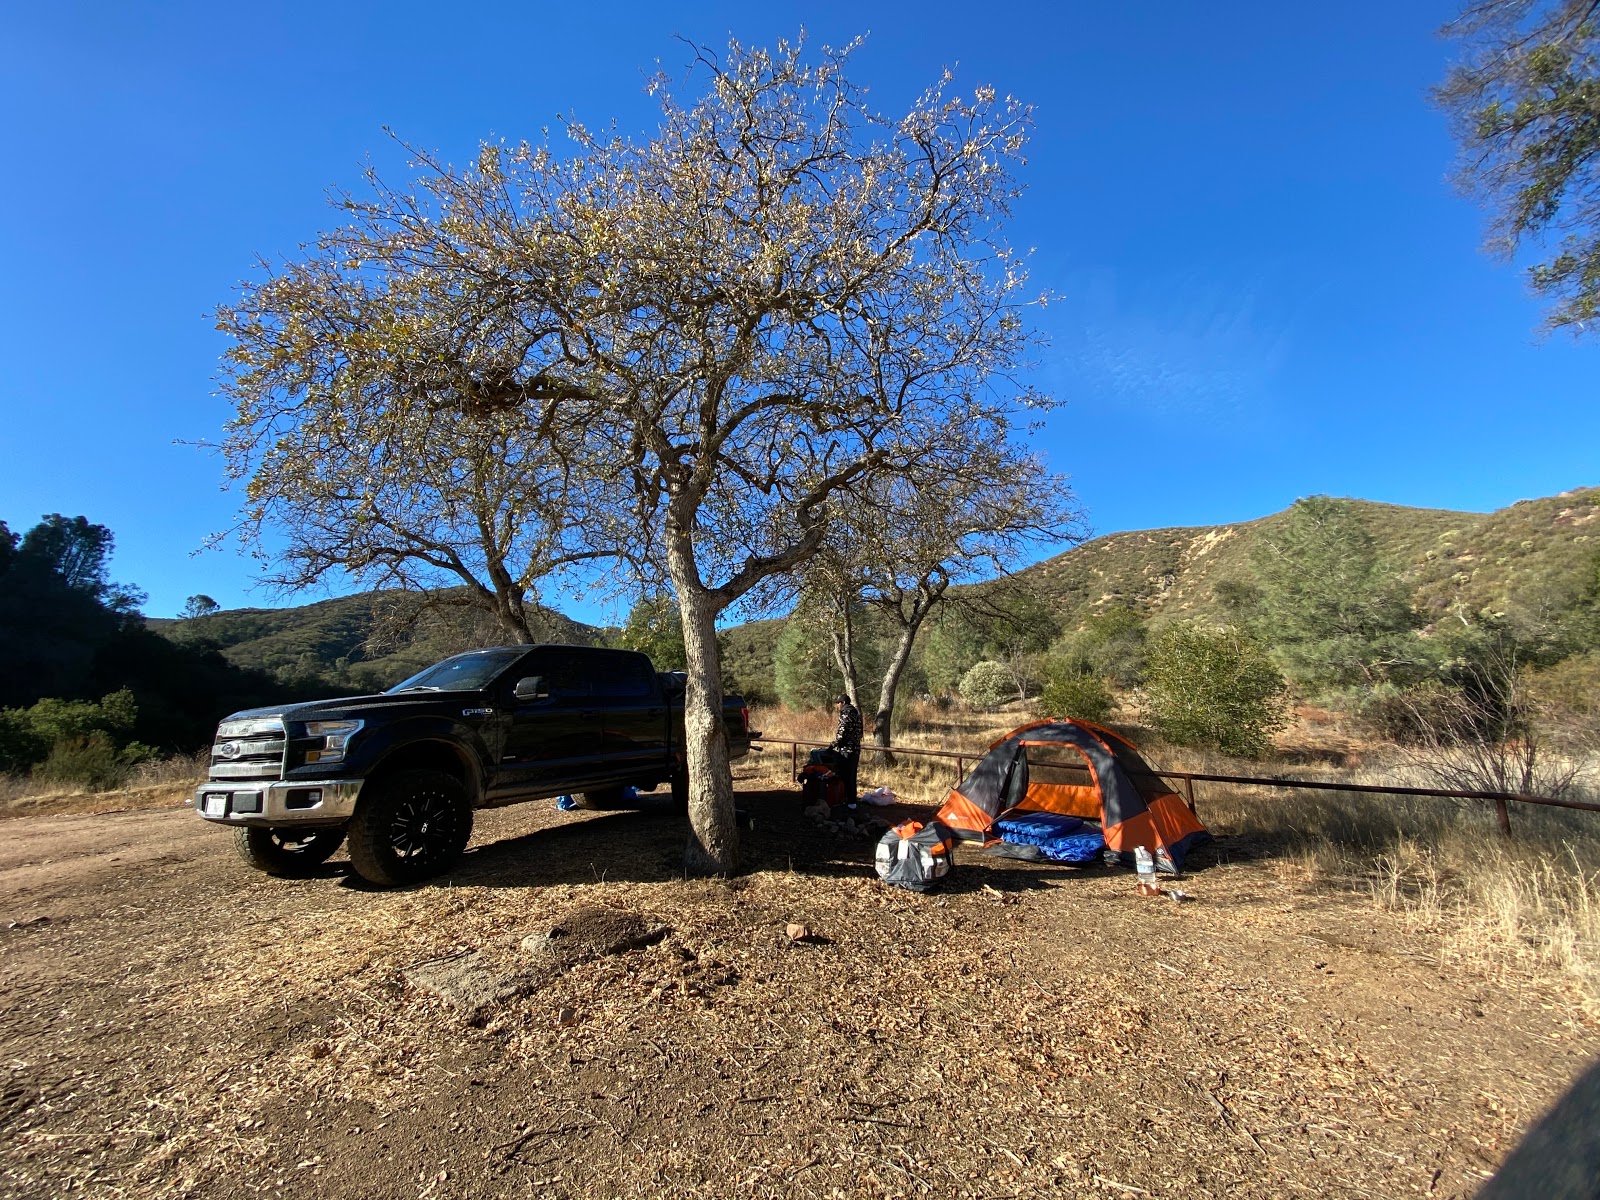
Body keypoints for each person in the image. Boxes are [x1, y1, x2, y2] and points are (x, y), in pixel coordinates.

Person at [830, 693, 862, 802]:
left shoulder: (845, 714)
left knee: (844, 776)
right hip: (856, 749)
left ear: (843, 703)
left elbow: (842, 732)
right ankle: (852, 800)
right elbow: (860, 732)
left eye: (838, 703)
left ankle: (844, 800)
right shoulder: (856, 714)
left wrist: (835, 744)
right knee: (852, 776)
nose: (837, 705)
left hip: (846, 751)